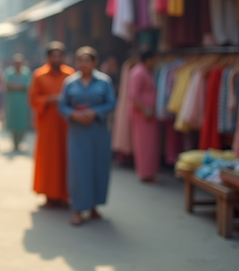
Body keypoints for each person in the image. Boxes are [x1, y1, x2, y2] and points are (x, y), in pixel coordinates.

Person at [58, 47, 116, 226]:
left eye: (87, 60)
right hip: (77, 132)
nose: (83, 64)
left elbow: (111, 103)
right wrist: (74, 115)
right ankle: (77, 208)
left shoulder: (104, 81)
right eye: (80, 60)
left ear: (94, 62)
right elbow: (62, 106)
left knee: (97, 168)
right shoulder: (70, 82)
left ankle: (93, 207)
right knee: (78, 170)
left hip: (98, 131)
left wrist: (95, 112)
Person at [29, 41, 74, 208]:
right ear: (48, 57)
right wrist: (49, 99)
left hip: (66, 123)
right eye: (54, 56)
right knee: (49, 159)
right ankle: (49, 194)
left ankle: (64, 195)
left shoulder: (70, 75)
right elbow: (33, 99)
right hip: (48, 124)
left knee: (65, 157)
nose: (57, 58)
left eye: (60, 55)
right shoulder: (39, 75)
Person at [129, 47, 160, 183]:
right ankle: (145, 173)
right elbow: (134, 95)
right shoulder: (138, 72)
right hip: (142, 115)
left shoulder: (147, 71)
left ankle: (149, 173)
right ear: (148, 60)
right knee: (144, 144)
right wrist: (145, 109)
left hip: (149, 114)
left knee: (151, 144)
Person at [4, 54, 32, 152]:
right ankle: (14, 142)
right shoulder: (9, 72)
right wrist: (19, 86)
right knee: (12, 121)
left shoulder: (26, 73)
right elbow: (7, 85)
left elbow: (28, 86)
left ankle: (19, 141)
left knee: (22, 121)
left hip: (23, 102)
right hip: (12, 102)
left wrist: (15, 86)